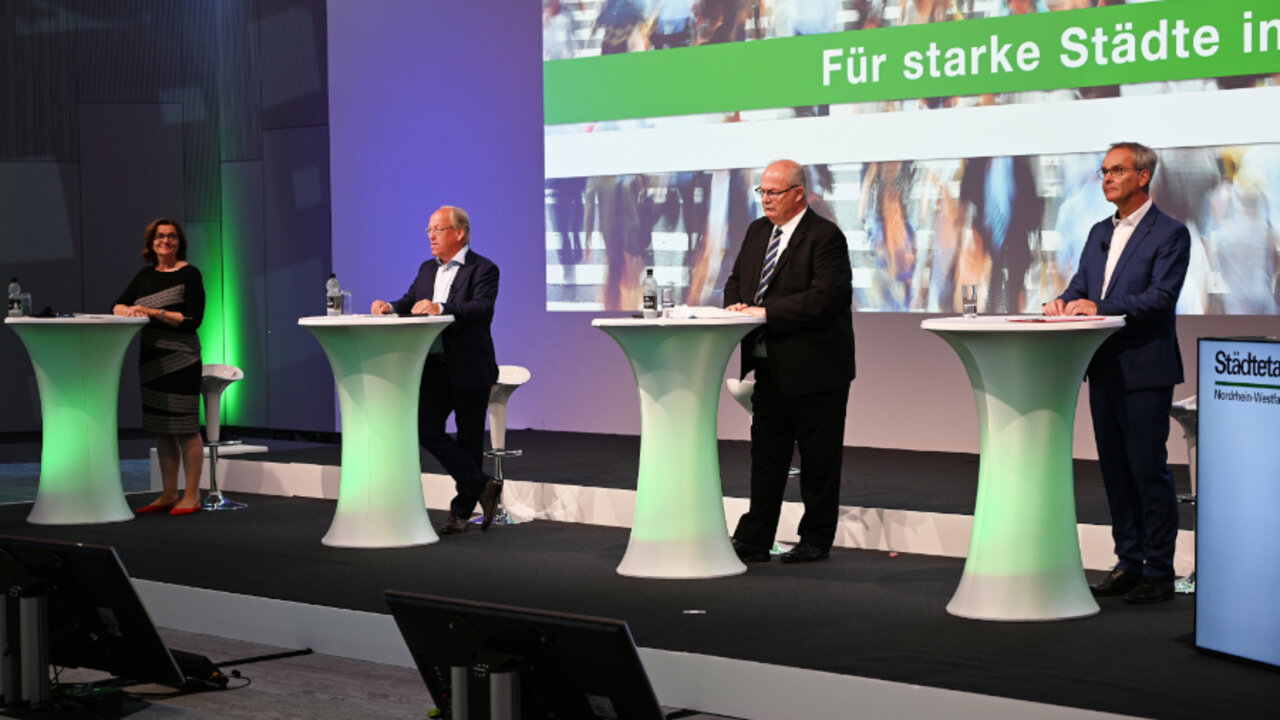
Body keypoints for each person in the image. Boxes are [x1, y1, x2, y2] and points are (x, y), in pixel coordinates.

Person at [1044, 142, 1191, 604]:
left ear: (1142, 177)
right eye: (1103, 171)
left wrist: (1099, 307)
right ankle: (1128, 561)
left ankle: (1159, 570)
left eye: (1117, 170)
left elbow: (1159, 299)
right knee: (1115, 472)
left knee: (1148, 470)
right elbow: (1081, 286)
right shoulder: (1096, 232)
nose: (1106, 178)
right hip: (1103, 366)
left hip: (1145, 368)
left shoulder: (1170, 233)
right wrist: (1063, 302)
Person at [724, 160, 856, 563]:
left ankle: (815, 539)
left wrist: (764, 312)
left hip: (816, 367)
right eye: (761, 192)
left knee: (818, 461)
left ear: (798, 193)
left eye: (773, 192)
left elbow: (825, 298)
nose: (765, 199)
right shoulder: (757, 231)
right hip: (769, 365)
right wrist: (736, 305)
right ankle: (754, 538)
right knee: (766, 458)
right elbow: (736, 280)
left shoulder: (825, 237)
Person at [371, 206, 502, 535]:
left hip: (470, 366)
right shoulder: (427, 269)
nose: (431, 236)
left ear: (459, 233)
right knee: (425, 429)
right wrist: (390, 307)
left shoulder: (483, 269)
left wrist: (441, 308)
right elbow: (411, 299)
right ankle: (483, 485)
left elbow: (481, 308)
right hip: (434, 367)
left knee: (470, 440)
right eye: (429, 230)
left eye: (438, 229)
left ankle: (460, 512)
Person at [113, 218, 206, 516]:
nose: (165, 241)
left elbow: (193, 320)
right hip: (151, 360)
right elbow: (117, 305)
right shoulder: (145, 275)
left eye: (171, 236)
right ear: (151, 242)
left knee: (185, 428)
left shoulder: (190, 274)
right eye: (160, 236)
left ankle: (191, 495)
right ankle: (168, 494)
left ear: (179, 242)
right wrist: (128, 310)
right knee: (162, 429)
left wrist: (152, 311)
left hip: (182, 358)